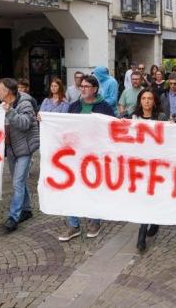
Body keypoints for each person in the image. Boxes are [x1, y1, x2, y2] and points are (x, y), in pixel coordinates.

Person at [60, 75, 115, 242]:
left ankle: (94, 222)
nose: (82, 89)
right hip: (76, 156)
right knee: (71, 189)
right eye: (81, 86)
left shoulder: (104, 107)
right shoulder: (74, 106)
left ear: (95, 89)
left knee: (93, 189)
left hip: (95, 157)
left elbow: (112, 129)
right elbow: (66, 127)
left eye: (86, 86)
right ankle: (73, 225)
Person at [0, 78, 39, 233]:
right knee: (19, 182)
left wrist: (10, 111)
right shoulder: (2, 106)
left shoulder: (24, 104)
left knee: (17, 183)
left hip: (25, 149)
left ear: (7, 92)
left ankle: (13, 217)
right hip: (12, 150)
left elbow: (24, 123)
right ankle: (26, 210)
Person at [128, 89, 169, 251]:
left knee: (156, 196)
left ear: (154, 101)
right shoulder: (133, 118)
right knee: (144, 199)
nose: (146, 101)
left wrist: (171, 127)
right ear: (140, 101)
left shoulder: (161, 117)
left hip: (158, 166)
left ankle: (156, 220)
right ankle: (142, 232)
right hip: (140, 167)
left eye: (149, 98)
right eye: (143, 98)